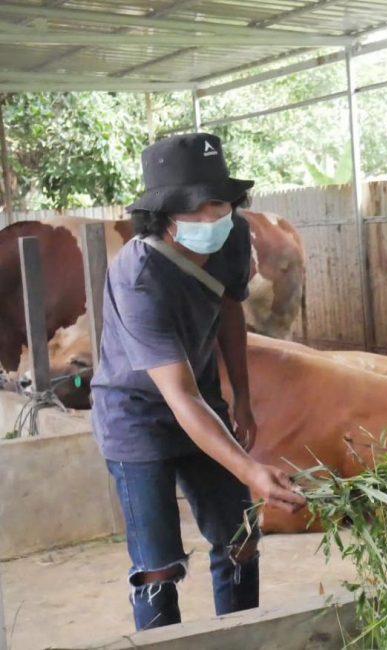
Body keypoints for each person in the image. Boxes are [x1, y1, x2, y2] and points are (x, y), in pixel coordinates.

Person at [90, 133, 306, 630]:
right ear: (164, 214)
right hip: (138, 417)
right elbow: (178, 396)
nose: (214, 217)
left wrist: (243, 400)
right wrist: (252, 470)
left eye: (221, 202)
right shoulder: (140, 279)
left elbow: (229, 308)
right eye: (199, 207)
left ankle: (239, 637)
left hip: (203, 403)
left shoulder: (234, 237)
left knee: (240, 538)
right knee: (159, 566)